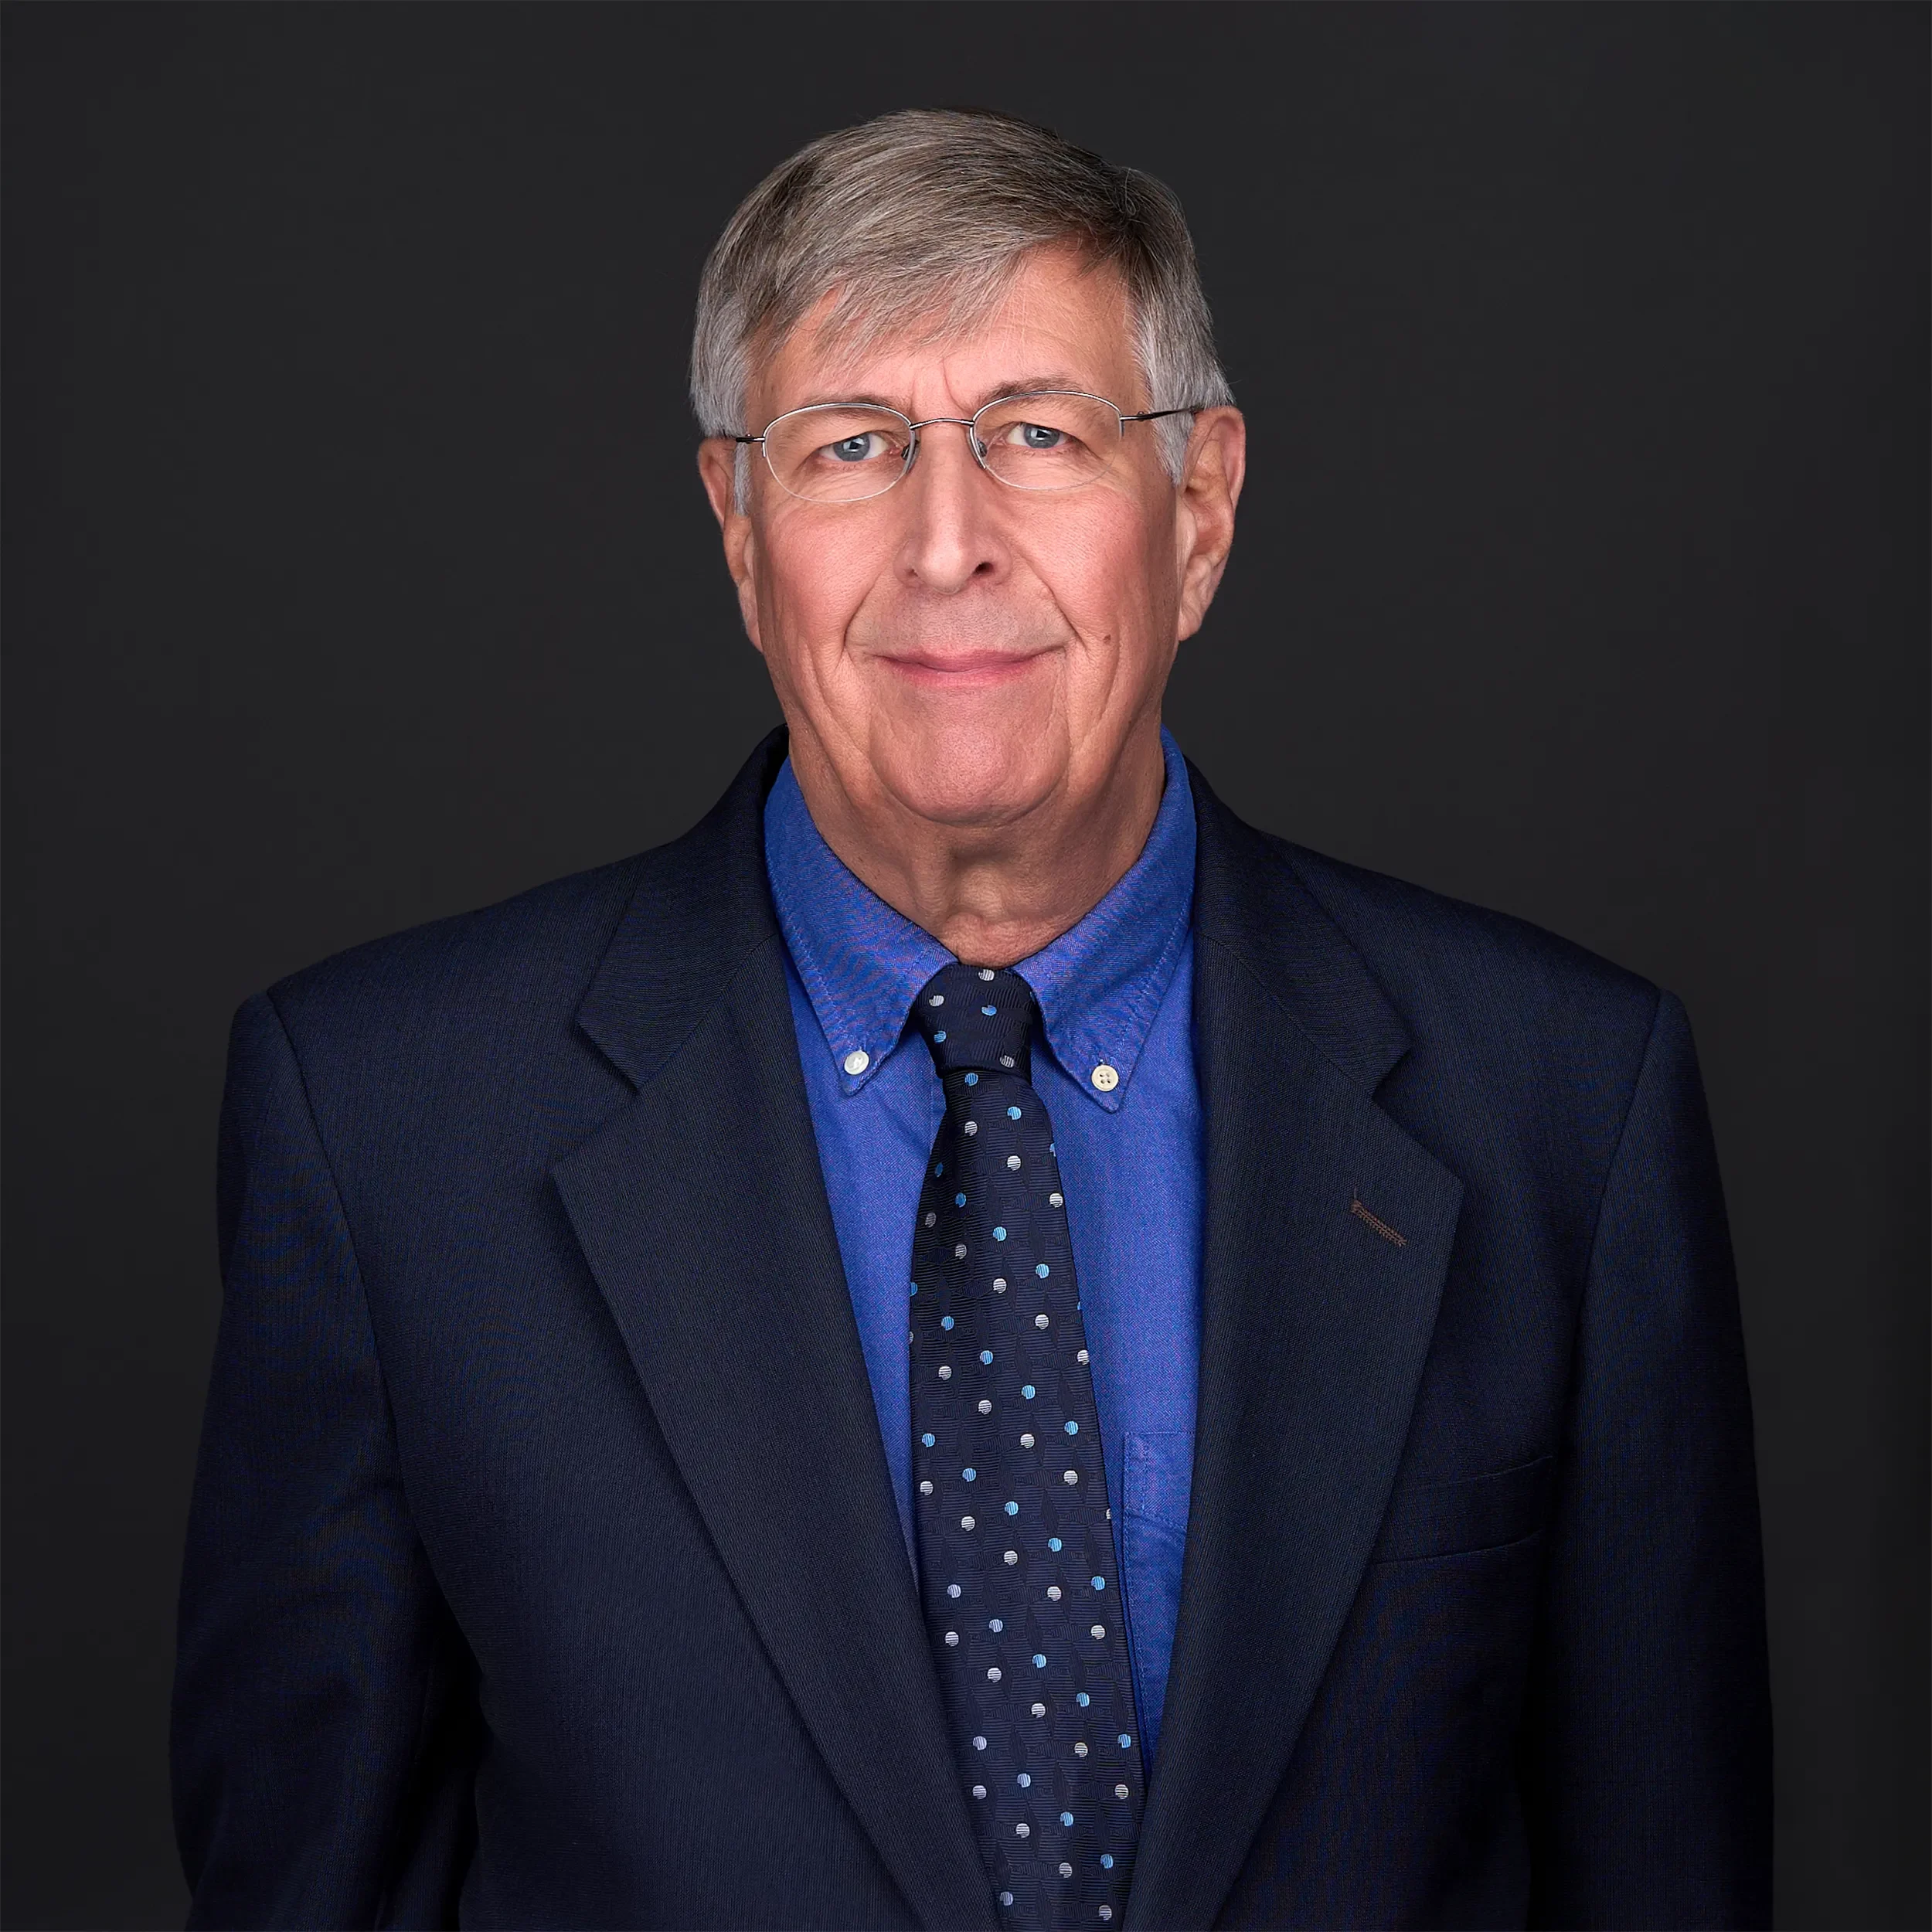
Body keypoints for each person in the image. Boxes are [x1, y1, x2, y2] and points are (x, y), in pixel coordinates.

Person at [172, 110, 1770, 1930]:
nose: (949, 543)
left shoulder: (1562, 1104)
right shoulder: (383, 1127)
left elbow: (1664, 1868)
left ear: (1199, 506)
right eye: (852, 445)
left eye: (1036, 433)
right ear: (738, 524)